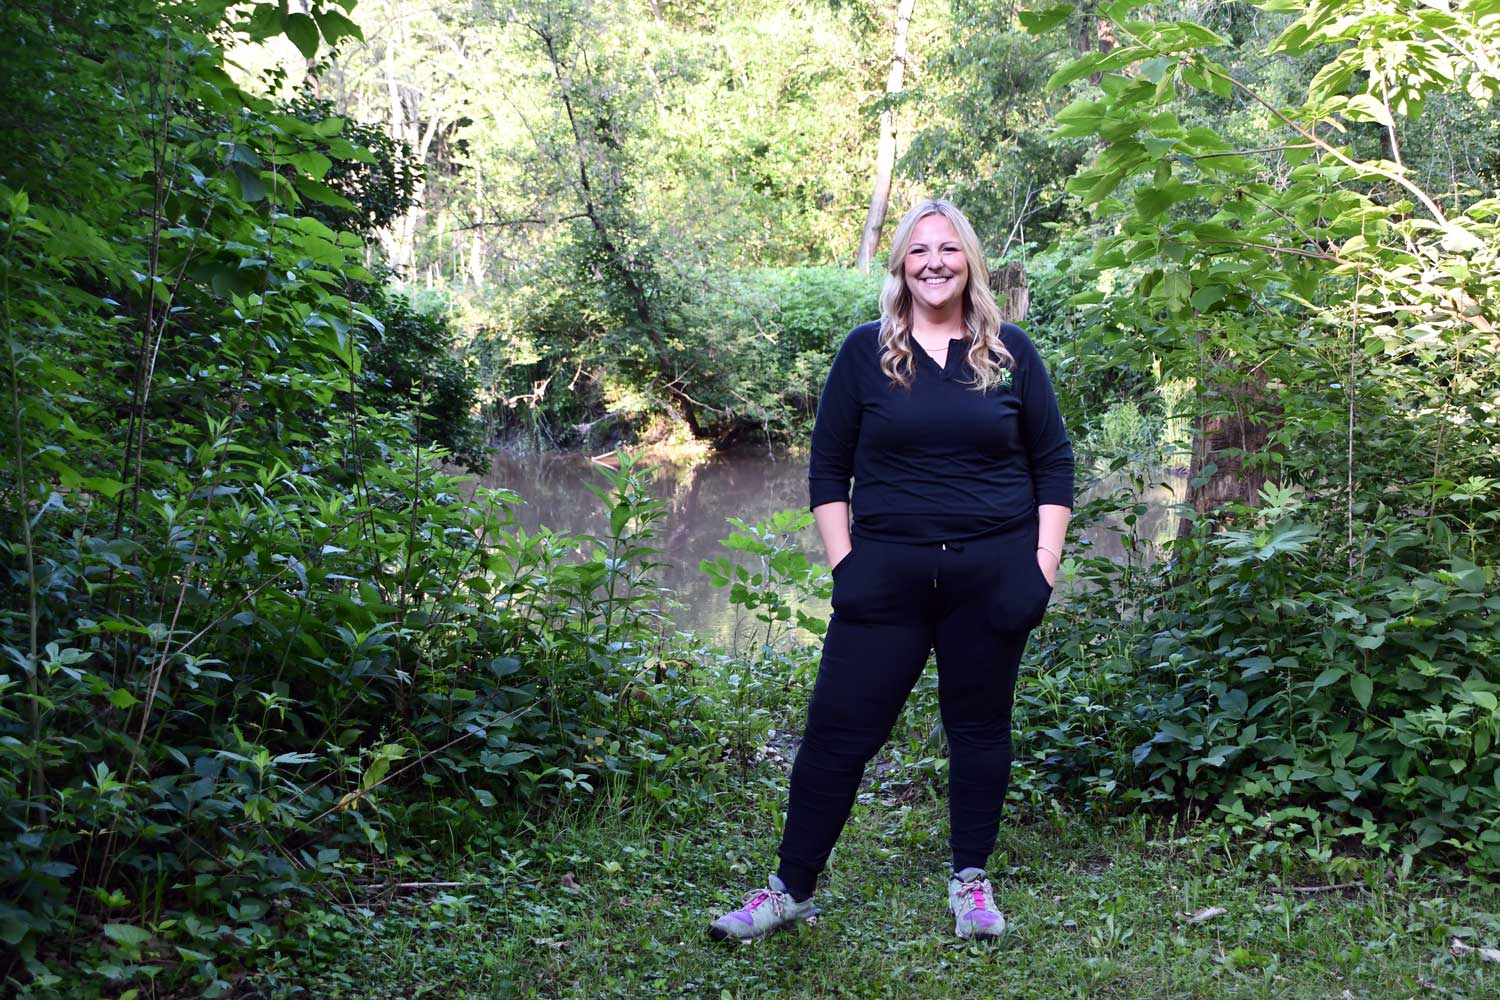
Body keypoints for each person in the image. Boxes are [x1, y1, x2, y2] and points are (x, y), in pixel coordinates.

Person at [708, 199, 1074, 943]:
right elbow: (827, 469)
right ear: (901, 266)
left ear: (969, 260)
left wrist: (1041, 568)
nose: (934, 262)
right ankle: (790, 888)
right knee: (837, 735)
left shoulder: (1010, 355)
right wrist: (847, 567)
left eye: (947, 249)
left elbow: (1054, 464)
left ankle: (970, 881)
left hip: (994, 576)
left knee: (978, 729)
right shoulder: (865, 352)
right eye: (918, 251)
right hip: (885, 581)